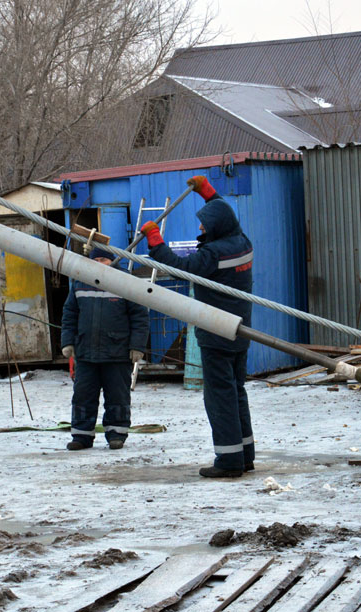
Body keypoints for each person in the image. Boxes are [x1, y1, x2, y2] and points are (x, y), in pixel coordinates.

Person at [139, 176, 254, 478]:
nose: (201, 229)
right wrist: (209, 193)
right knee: (236, 389)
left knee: (219, 395)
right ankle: (245, 454)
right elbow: (225, 215)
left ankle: (229, 461)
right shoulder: (241, 241)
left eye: (204, 226)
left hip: (216, 331)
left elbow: (179, 267)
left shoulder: (212, 255)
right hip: (240, 329)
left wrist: (155, 241)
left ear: (215, 228)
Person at [61, 246, 149, 451]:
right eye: (96, 259)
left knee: (117, 396)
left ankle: (116, 434)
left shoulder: (125, 283)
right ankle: (81, 436)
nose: (100, 263)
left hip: (117, 353)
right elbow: (69, 314)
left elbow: (140, 318)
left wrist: (137, 346)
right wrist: (67, 341)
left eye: (104, 259)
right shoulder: (80, 282)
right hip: (86, 352)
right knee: (83, 395)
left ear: (113, 261)